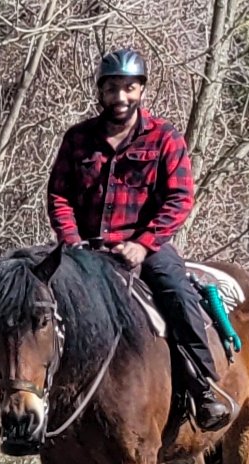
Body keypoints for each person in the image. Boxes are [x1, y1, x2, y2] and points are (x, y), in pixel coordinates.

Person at [47, 48, 230, 431]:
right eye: (112, 88)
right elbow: (59, 195)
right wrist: (73, 241)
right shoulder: (78, 139)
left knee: (178, 295)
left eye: (129, 88)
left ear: (142, 90)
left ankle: (203, 385)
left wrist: (144, 243)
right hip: (85, 251)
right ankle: (40, 403)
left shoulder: (165, 138)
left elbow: (180, 197)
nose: (120, 98)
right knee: (37, 305)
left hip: (147, 248)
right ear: (100, 91)